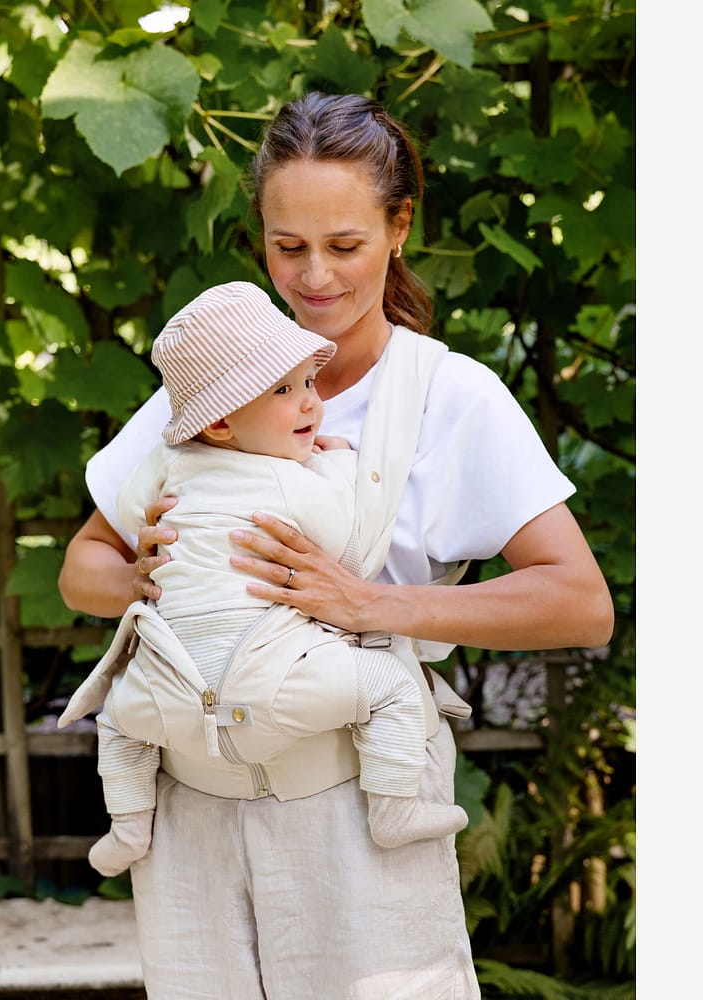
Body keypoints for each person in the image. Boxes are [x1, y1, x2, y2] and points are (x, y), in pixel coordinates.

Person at [58, 92, 614, 1000]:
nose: (315, 278)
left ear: (399, 228)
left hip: (358, 811)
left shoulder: (449, 397)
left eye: (345, 246)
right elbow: (81, 570)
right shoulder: (207, 394)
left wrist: (375, 603)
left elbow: (580, 602)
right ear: (262, 239)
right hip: (190, 816)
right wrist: (134, 575)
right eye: (289, 247)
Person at [58, 280, 469, 877]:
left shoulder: (167, 462)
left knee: (119, 721)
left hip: (174, 677)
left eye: (308, 382)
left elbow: (132, 511)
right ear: (222, 423)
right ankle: (394, 807)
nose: (310, 403)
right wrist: (334, 462)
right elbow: (348, 551)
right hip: (275, 679)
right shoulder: (289, 478)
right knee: (392, 689)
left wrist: (147, 555)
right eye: (285, 390)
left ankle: (126, 827)